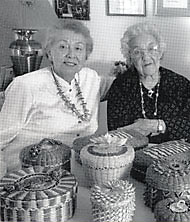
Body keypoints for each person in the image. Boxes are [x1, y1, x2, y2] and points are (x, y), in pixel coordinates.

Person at [0, 20, 109, 171]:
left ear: (86, 56)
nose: (71, 55)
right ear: (49, 52)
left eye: (78, 48)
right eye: (63, 47)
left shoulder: (91, 78)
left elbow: (122, 85)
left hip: (76, 167)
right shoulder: (26, 85)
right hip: (29, 170)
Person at [105, 22, 190, 144]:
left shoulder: (180, 84)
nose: (146, 56)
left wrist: (157, 125)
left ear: (160, 52)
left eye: (151, 49)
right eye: (137, 52)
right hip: (133, 152)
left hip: (175, 153)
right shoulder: (121, 86)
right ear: (130, 57)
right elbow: (116, 130)